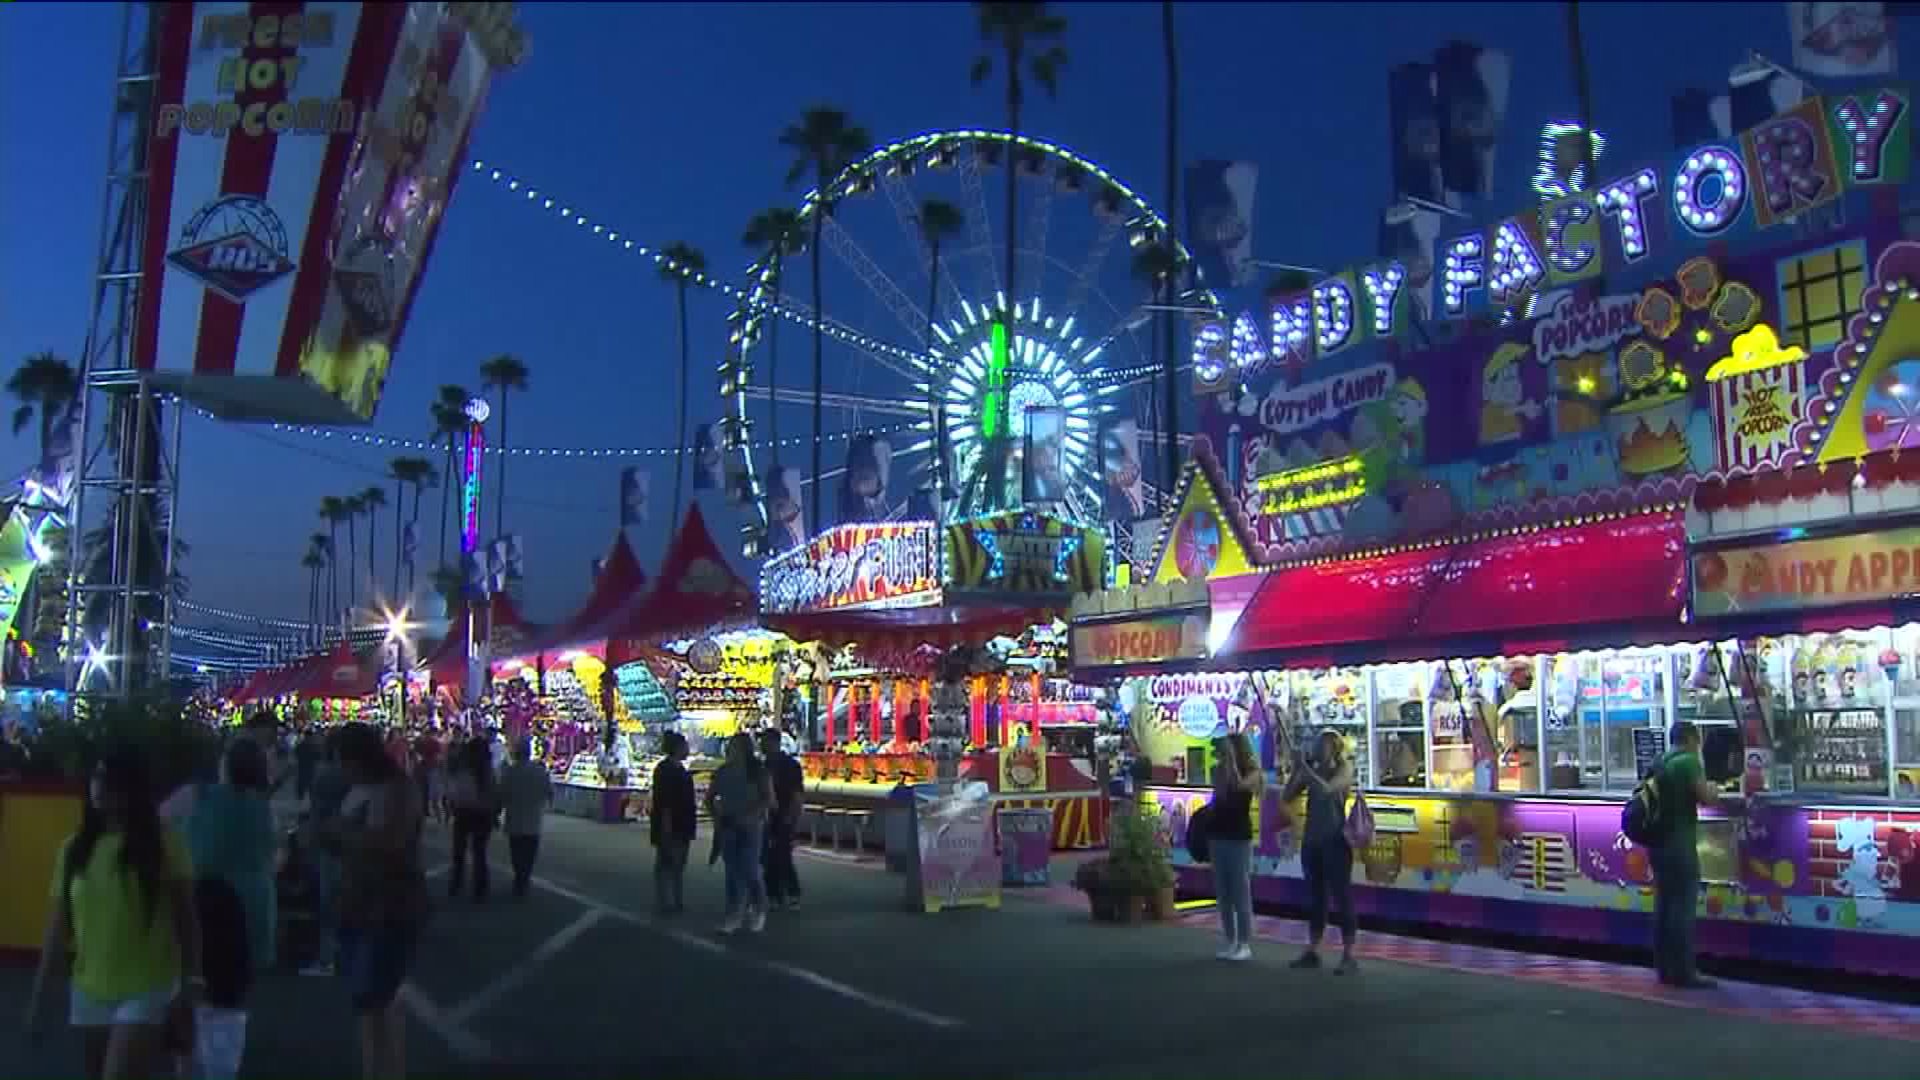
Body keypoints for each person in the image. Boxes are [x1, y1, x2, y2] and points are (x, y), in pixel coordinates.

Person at [23, 746, 203, 1080]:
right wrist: (39, 999)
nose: (99, 787)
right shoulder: (74, 849)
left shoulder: (164, 844)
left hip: (149, 984)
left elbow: (187, 919)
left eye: (109, 780)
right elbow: (57, 929)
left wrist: (192, 983)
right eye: (96, 777)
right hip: (89, 986)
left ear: (131, 788)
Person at [327, 722, 429, 1080]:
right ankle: (377, 1070)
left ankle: (386, 1071)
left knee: (378, 997)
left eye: (345, 760)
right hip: (359, 899)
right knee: (369, 1001)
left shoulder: (398, 788)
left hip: (389, 902)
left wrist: (343, 833)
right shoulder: (359, 788)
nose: (342, 768)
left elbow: (391, 842)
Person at [176, 737, 278, 1080]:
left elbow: (156, 821)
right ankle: (222, 1062)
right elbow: (272, 859)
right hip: (252, 907)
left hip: (205, 903)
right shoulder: (263, 807)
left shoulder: (199, 795)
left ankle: (193, 1063)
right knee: (233, 997)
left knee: (195, 988)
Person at [1652, 721, 1724, 989]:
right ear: (1692, 739)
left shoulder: (1660, 760)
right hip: (1679, 844)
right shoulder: (1688, 762)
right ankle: (1684, 972)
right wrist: (1715, 789)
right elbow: (1706, 798)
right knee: (1682, 907)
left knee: (1664, 906)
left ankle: (1664, 969)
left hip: (1657, 844)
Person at [1284, 730, 1359, 974]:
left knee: (1342, 897)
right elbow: (1287, 796)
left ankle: (1349, 954)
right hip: (1312, 841)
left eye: (1321, 744)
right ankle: (1313, 949)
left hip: (1336, 841)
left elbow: (1328, 789)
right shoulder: (1311, 770)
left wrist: (1305, 768)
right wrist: (1297, 769)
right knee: (1317, 899)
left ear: (1333, 748)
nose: (1316, 747)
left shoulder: (1344, 768)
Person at [703, 732, 773, 934]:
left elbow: (768, 798)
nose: (729, 749)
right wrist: (717, 816)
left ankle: (759, 906)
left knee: (750, 868)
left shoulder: (758, 771)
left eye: (733, 746)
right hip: (729, 825)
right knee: (732, 872)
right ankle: (734, 914)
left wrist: (753, 815)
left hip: (751, 826)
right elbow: (709, 798)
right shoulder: (723, 772)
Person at [1206, 732, 1259, 962]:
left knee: (1240, 891)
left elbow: (1239, 786)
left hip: (1239, 836)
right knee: (1223, 893)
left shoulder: (1252, 772)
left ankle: (1244, 942)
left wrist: (1232, 761)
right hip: (1218, 834)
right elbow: (1221, 793)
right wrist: (1224, 764)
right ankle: (1230, 939)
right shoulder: (1218, 770)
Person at [303, 731, 351, 977]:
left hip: (331, 843)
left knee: (329, 901)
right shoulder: (356, 776)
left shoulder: (326, 775)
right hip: (354, 844)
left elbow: (316, 812)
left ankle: (326, 958)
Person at [498, 736, 553, 899]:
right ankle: (524, 879)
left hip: (514, 819)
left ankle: (519, 879)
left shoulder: (510, 771)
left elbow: (502, 794)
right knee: (529, 854)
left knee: (516, 853)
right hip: (533, 820)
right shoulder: (539, 770)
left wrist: (496, 811)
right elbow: (549, 792)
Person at [446, 738, 499, 901]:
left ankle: (456, 883)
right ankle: (480, 888)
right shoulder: (488, 771)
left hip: (463, 812)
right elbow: (494, 795)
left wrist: (452, 807)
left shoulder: (463, 769)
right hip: (482, 814)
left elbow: (454, 792)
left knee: (459, 852)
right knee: (479, 853)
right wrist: (495, 814)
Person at [650, 731, 697, 915]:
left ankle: (675, 899)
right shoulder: (667, 770)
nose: (687, 749)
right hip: (673, 823)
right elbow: (666, 802)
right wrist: (666, 827)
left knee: (676, 864)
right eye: (685, 745)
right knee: (668, 862)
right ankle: (667, 901)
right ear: (677, 748)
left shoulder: (677, 769)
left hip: (681, 823)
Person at [759, 728, 805, 911]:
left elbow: (797, 793)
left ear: (774, 743)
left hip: (783, 814)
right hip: (766, 815)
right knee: (768, 856)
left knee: (781, 854)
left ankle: (790, 893)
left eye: (765, 741)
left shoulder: (788, 765)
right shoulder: (764, 765)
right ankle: (775, 894)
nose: (762, 745)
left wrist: (792, 815)